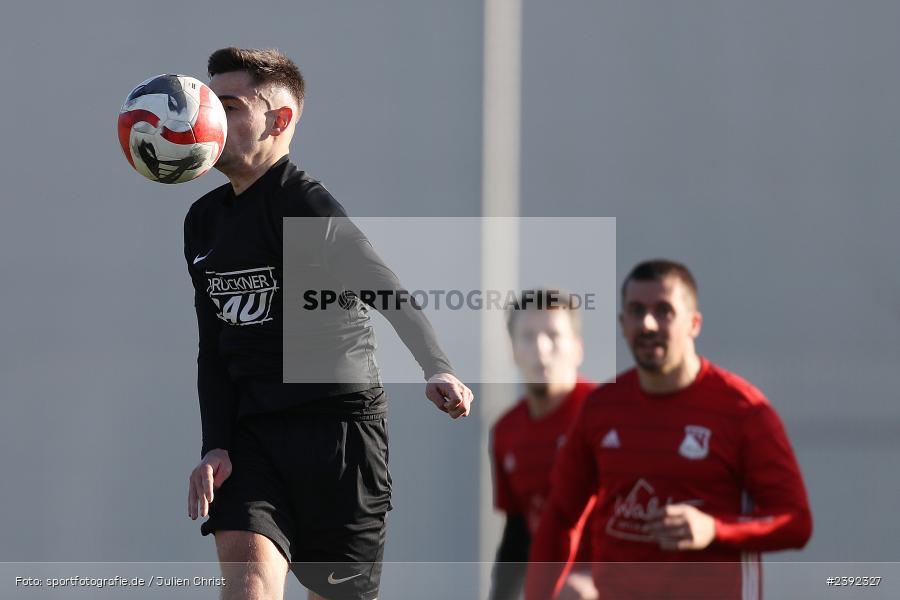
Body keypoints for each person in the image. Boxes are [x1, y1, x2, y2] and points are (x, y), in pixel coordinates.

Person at [182, 47, 474, 600]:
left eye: (229, 106)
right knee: (247, 588)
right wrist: (215, 445)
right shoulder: (203, 221)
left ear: (279, 120)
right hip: (253, 438)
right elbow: (212, 346)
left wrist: (438, 368)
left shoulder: (302, 204)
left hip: (341, 437)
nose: (212, 120)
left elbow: (385, 287)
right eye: (208, 104)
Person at [525, 260, 812, 600]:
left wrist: (713, 529)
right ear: (622, 323)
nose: (647, 323)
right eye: (636, 311)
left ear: (694, 323)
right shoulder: (601, 407)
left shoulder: (743, 411)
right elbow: (560, 514)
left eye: (664, 311)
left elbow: (794, 522)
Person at [489, 289, 599, 600]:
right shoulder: (506, 431)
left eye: (553, 335)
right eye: (527, 336)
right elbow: (518, 531)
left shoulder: (603, 414)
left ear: (577, 348)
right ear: (512, 350)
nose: (540, 348)